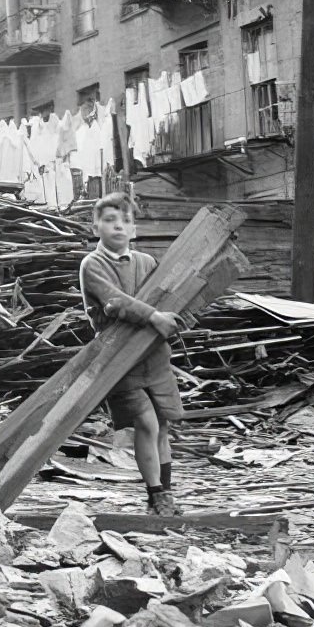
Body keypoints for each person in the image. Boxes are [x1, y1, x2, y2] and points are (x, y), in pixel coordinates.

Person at [79, 192, 184, 516]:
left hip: (154, 357)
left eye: (125, 221)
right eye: (110, 220)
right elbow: (115, 301)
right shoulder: (92, 265)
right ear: (96, 225)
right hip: (119, 360)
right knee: (146, 424)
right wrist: (153, 316)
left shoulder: (147, 263)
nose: (118, 227)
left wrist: (170, 318)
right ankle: (156, 494)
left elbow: (168, 298)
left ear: (134, 228)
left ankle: (163, 497)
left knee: (163, 426)